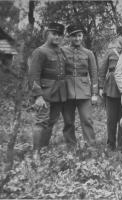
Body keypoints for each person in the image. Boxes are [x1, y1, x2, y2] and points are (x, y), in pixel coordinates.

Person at [28, 22, 68, 153]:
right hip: (44, 93)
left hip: (58, 93)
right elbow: (34, 74)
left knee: (51, 122)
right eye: (54, 34)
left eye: (60, 35)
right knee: (41, 122)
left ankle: (43, 150)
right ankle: (36, 153)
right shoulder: (40, 51)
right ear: (47, 34)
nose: (57, 37)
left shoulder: (60, 51)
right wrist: (38, 96)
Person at [61, 24, 98, 146]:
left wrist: (94, 93)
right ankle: (71, 146)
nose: (77, 39)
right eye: (74, 36)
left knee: (87, 120)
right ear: (69, 37)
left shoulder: (89, 53)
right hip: (67, 91)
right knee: (68, 121)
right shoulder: (62, 51)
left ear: (82, 36)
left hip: (84, 91)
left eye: (79, 35)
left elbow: (93, 74)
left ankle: (91, 146)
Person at [99, 25, 122, 151]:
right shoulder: (111, 52)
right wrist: (101, 87)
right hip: (111, 88)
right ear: (118, 37)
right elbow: (102, 71)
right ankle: (110, 144)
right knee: (111, 119)